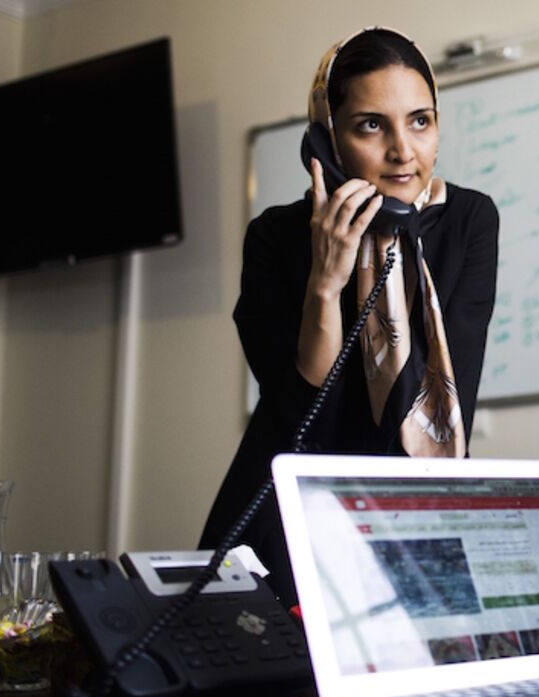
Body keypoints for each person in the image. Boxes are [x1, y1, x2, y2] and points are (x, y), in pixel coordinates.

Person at [200, 27, 499, 606]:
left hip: (415, 518)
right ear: (325, 138)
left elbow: (448, 400)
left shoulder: (468, 222)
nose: (403, 151)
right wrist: (326, 283)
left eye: (420, 120)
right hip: (291, 518)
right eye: (371, 125)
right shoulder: (275, 237)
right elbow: (302, 417)